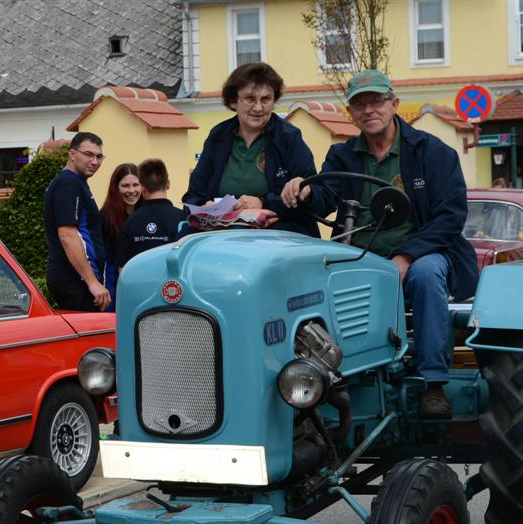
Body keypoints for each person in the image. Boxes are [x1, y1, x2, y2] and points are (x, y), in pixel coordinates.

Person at [281, 69, 477, 420]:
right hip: (361, 253)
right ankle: (326, 378)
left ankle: (433, 382)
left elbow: (450, 217)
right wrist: (306, 189)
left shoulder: (432, 152)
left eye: (377, 101)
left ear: (394, 104)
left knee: (427, 273)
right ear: (351, 113)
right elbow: (327, 195)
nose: (369, 110)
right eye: (360, 104)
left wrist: (405, 255)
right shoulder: (342, 156)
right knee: (317, 279)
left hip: (422, 252)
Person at [183, 62, 319, 237]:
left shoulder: (288, 137)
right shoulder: (218, 137)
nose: (258, 108)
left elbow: (313, 198)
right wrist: (205, 206)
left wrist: (263, 202)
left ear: (274, 101)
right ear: (233, 101)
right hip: (222, 235)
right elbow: (192, 197)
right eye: (249, 99)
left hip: (279, 237)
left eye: (265, 99)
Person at [43, 131, 110, 311]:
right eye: (88, 154)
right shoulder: (68, 183)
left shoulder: (76, 182)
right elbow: (67, 235)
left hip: (76, 280)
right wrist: (92, 282)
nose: (95, 162)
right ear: (72, 154)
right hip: (75, 280)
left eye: (99, 156)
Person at [117, 158, 184, 270]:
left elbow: (122, 268)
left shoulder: (131, 220)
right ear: (168, 184)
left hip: (140, 285)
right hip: (172, 286)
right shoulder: (182, 219)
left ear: (142, 187)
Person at [99, 163, 142, 310]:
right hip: (114, 288)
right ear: (115, 188)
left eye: (135, 185)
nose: (131, 190)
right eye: (125, 186)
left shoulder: (146, 216)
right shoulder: (105, 218)